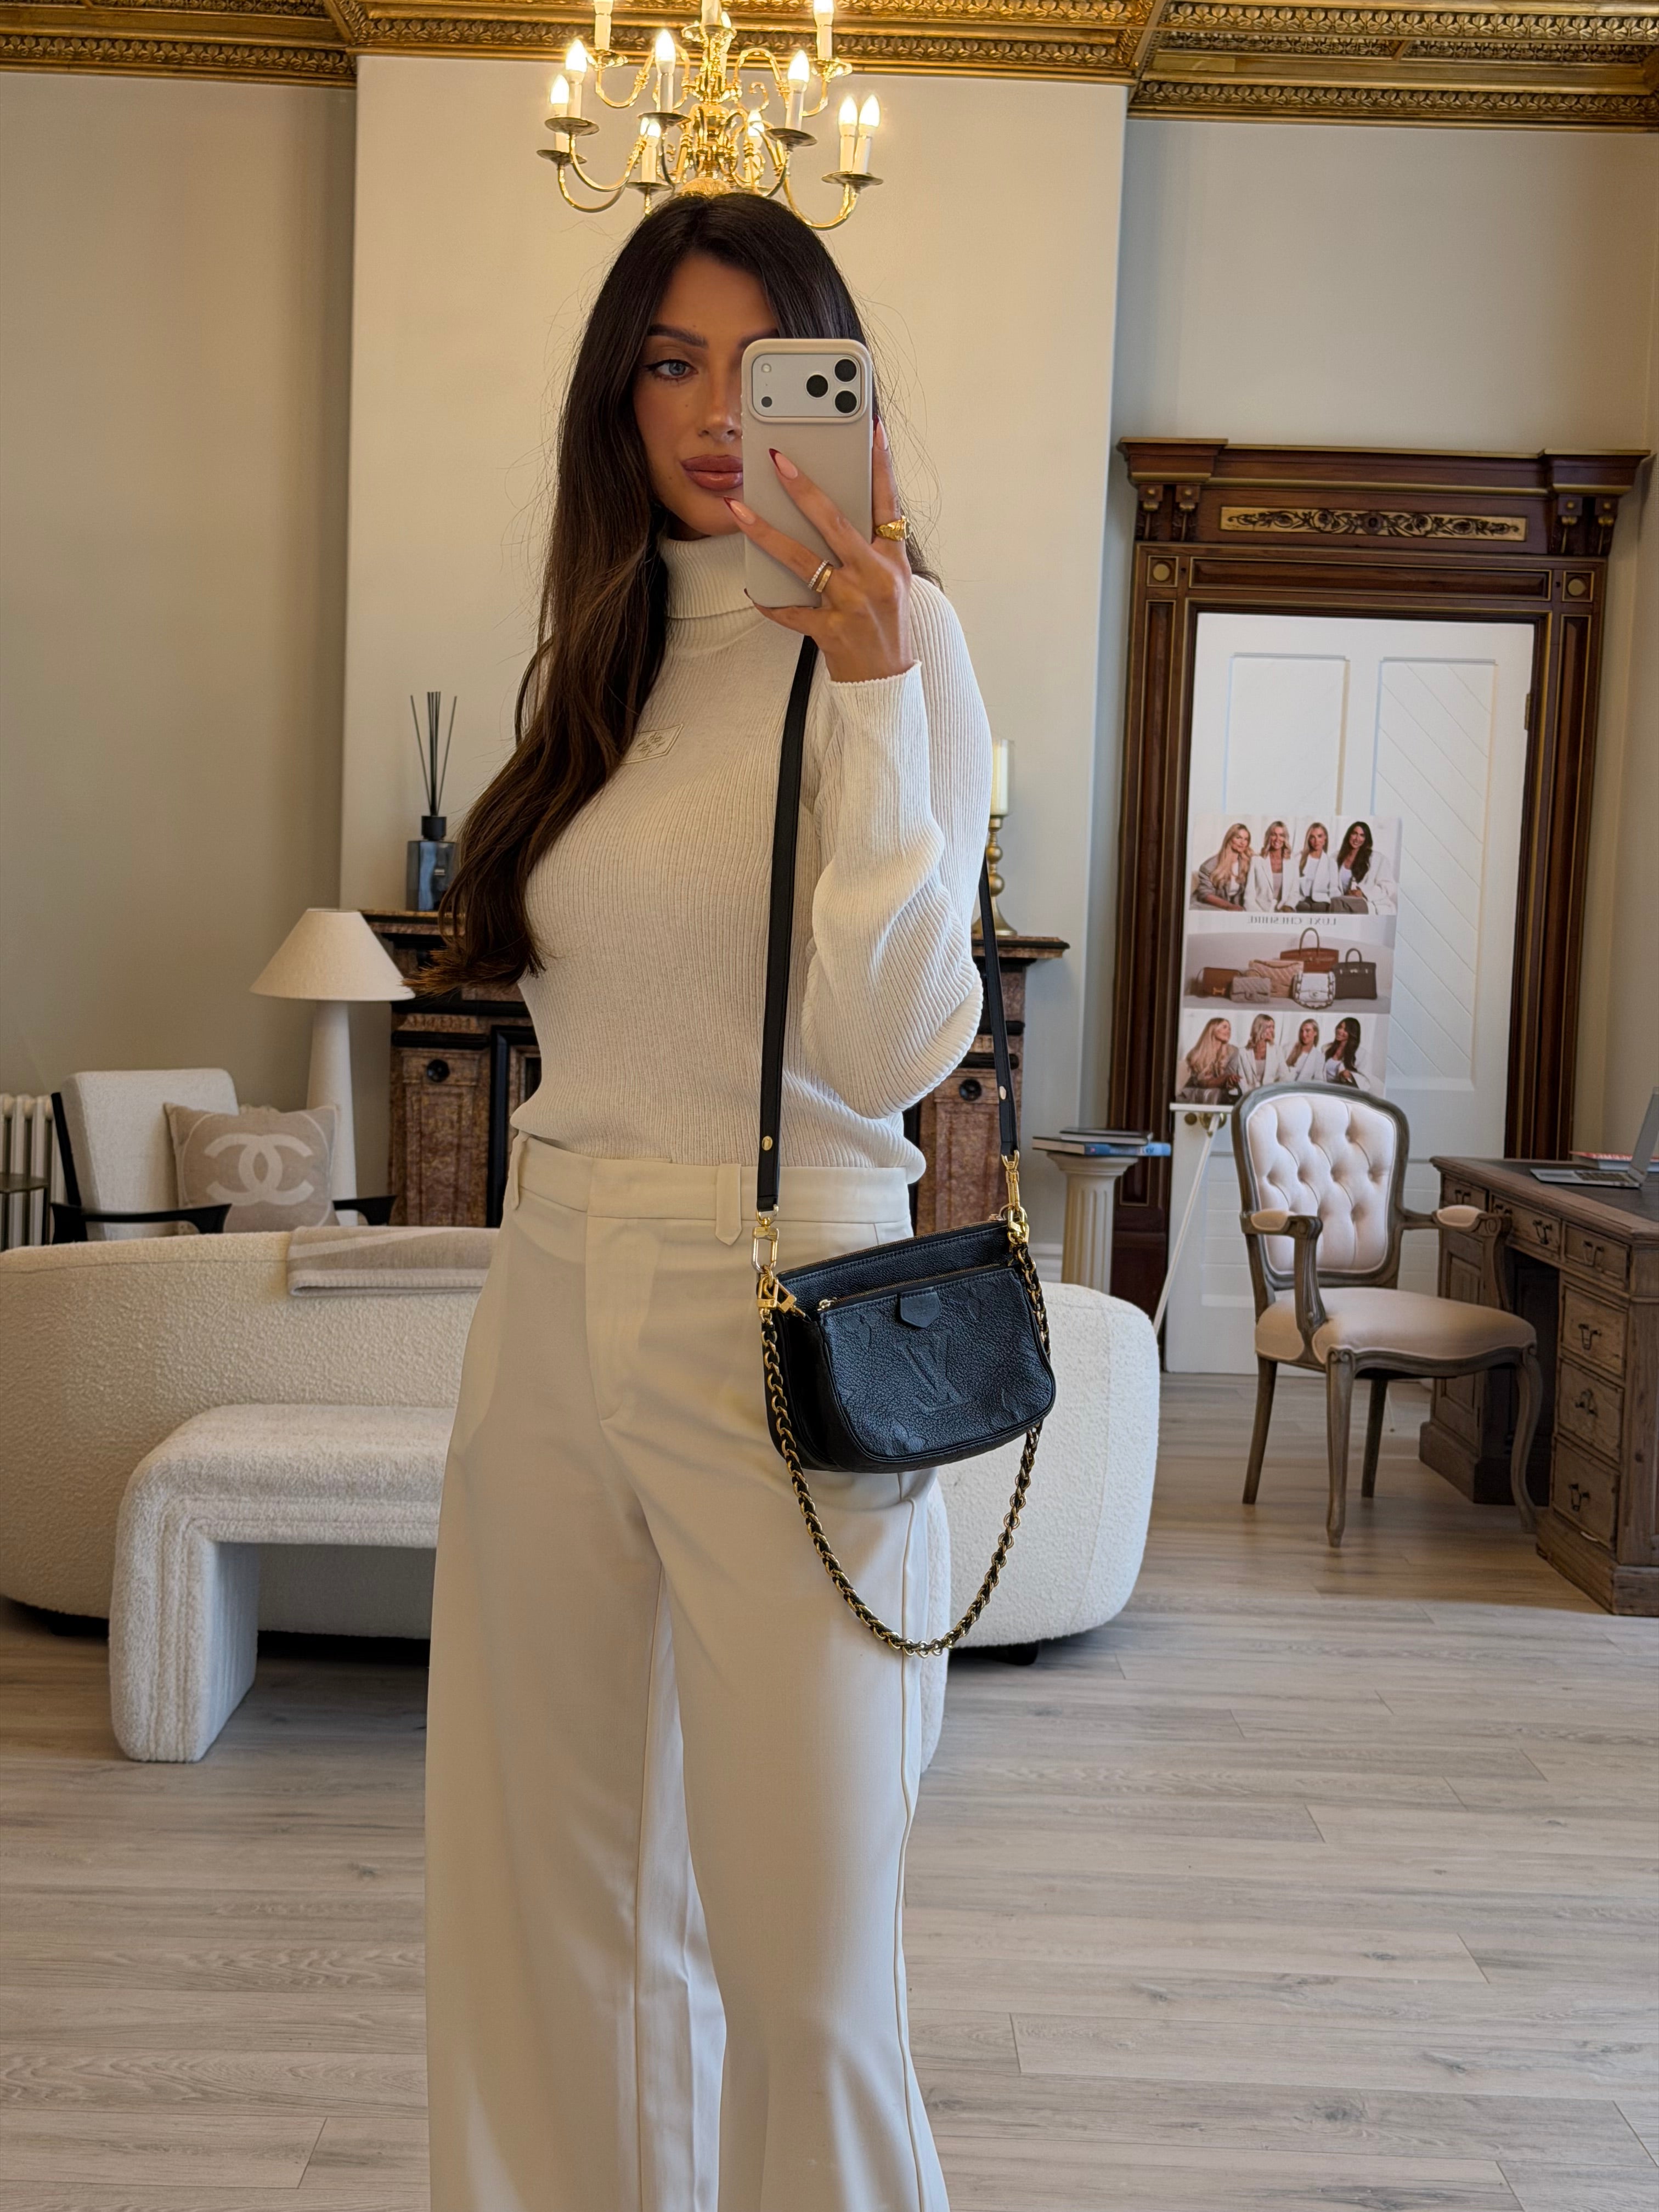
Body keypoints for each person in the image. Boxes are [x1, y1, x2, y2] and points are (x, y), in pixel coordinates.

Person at [419, 194, 990, 2212]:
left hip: (786, 1298)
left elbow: (895, 1044)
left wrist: (868, 685)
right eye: (670, 364)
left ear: (840, 392)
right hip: (550, 1283)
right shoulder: (606, 654)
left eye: (767, 371)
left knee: (807, 1961)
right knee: (542, 1912)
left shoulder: (900, 645)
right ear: (619, 395)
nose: (719, 414)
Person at [1331, 818, 1397, 915]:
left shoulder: (1378, 859)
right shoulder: (1335, 858)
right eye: (1355, 834)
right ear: (1349, 835)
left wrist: (1364, 893)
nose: (1357, 839)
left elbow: (1389, 886)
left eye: (1362, 835)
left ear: (1366, 839)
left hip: (1365, 903)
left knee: (1337, 903)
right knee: (1329, 903)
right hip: (1342, 901)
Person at [1176, 1015, 1247, 1102]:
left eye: (1230, 1029)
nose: (1229, 1031)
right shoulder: (1196, 1053)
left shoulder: (1233, 1051)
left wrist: (1230, 1079)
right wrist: (1224, 1079)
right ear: (1213, 1029)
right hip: (1197, 1091)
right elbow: (1200, 1082)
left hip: (1221, 1093)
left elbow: (1229, 1079)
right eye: (1224, 1027)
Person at [1192, 821, 1252, 909]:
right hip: (1209, 907)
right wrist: (1229, 907)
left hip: (1236, 908)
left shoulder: (1249, 863)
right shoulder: (1209, 866)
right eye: (1238, 838)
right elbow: (1205, 894)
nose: (1243, 842)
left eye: (1246, 839)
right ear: (1229, 839)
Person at [1245, 819, 1294, 911]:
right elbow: (1249, 895)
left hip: (1283, 911)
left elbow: (1294, 893)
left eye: (1281, 835)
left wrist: (1288, 907)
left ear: (1285, 838)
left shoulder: (1292, 863)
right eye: (1274, 835)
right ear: (1269, 837)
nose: (1277, 839)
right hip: (1260, 910)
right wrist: (1259, 915)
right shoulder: (1256, 861)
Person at [1324, 1014, 1377, 1091]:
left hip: (1343, 1092)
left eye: (1346, 1030)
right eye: (1340, 1027)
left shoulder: (1362, 1054)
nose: (1340, 1031)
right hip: (1324, 1090)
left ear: (1352, 1033)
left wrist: (1350, 1076)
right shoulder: (1326, 1048)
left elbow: (1366, 1082)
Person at [1295, 820, 1340, 910]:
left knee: (1319, 908)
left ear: (1325, 838)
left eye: (1320, 836)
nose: (1316, 841)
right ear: (1309, 840)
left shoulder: (1331, 863)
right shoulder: (1299, 858)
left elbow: (1334, 889)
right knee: (1303, 907)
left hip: (1321, 901)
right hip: (1301, 899)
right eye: (1313, 837)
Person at [1239, 1012, 1282, 1091]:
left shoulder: (1277, 1050)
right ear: (1258, 1028)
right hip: (1249, 1093)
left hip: (1271, 1093)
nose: (1272, 1030)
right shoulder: (1242, 1053)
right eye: (1269, 1027)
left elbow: (1284, 1076)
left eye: (1273, 1027)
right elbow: (1241, 1080)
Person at [1284, 1015, 1325, 1082]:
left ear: (1315, 1033)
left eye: (1308, 1031)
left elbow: (1319, 1080)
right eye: (1302, 1031)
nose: (1304, 1034)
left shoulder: (1319, 1057)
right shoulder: (1288, 1048)